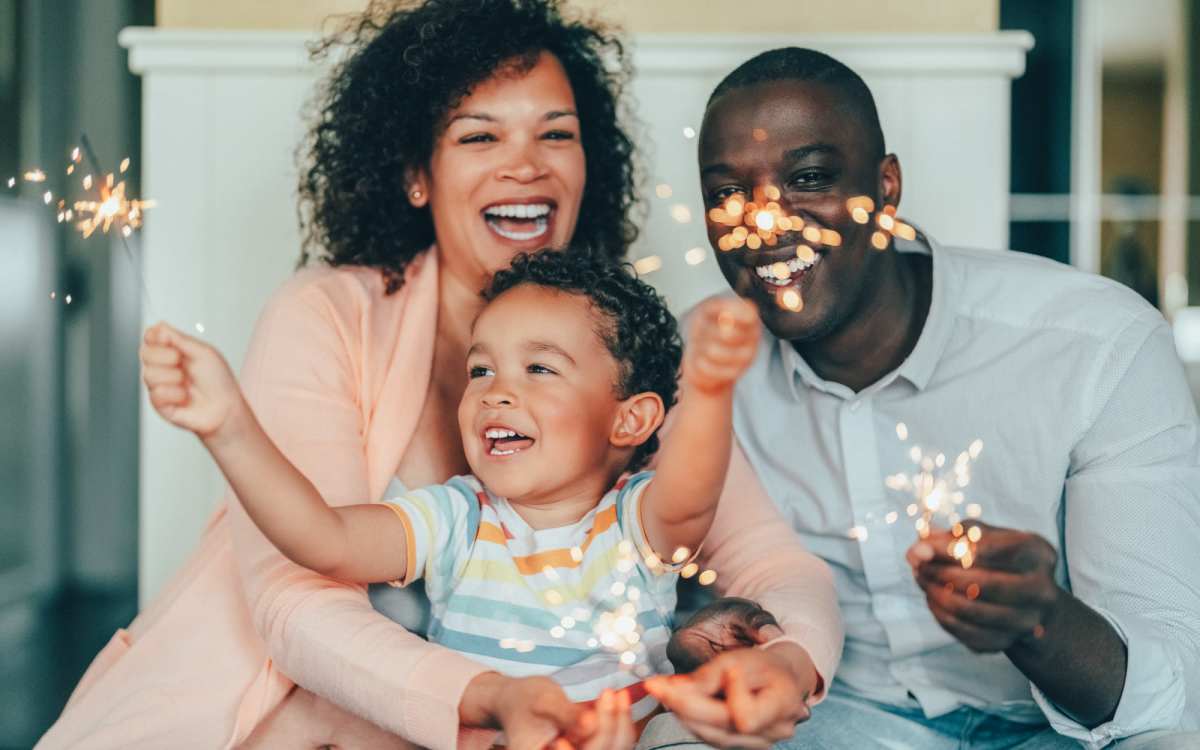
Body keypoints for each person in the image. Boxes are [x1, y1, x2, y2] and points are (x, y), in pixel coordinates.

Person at [38, 5, 841, 747]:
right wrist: (229, 426)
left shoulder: (617, 343)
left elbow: (759, 552)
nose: (525, 166)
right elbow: (301, 588)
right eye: (479, 137)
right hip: (270, 723)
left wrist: (792, 659)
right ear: (418, 174)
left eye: (555, 135)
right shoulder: (327, 315)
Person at [647, 47, 1200, 749]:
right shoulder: (696, 362)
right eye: (727, 193)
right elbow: (679, 565)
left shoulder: (1096, 344)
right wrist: (703, 632)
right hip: (834, 720)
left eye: (809, 177)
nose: (763, 222)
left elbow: (1172, 689)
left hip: (1058, 730)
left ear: (886, 188)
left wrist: (1040, 623)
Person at [141, 247, 762, 744]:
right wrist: (230, 428)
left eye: (539, 369)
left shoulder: (635, 520)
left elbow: (689, 498)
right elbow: (323, 540)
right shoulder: (455, 517)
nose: (496, 392)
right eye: (481, 369)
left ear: (629, 420)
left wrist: (709, 390)